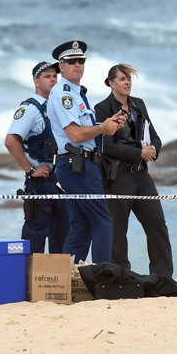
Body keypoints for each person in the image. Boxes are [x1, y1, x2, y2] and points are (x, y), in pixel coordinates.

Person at [46, 40, 126, 264]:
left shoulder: (77, 93)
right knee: (102, 220)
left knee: (81, 225)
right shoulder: (64, 94)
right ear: (61, 66)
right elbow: (75, 134)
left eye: (81, 61)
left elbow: (84, 132)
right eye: (71, 62)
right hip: (76, 165)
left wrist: (108, 124)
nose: (77, 65)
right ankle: (104, 275)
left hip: (78, 164)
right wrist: (102, 128)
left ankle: (66, 280)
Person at [95, 64, 174, 277]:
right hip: (117, 176)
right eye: (121, 79)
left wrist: (153, 150)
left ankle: (162, 276)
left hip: (142, 176)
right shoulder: (102, 109)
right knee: (117, 232)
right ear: (111, 83)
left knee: (157, 224)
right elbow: (107, 147)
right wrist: (139, 153)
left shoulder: (139, 104)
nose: (127, 82)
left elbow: (154, 136)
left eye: (128, 78)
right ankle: (120, 277)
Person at [4, 61, 68, 253]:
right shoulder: (30, 109)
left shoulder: (57, 108)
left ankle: (55, 282)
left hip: (60, 182)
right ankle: (30, 282)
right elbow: (10, 141)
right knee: (35, 239)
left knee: (62, 239)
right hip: (40, 183)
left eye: (55, 76)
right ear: (36, 81)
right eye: (47, 76)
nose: (52, 80)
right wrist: (31, 170)